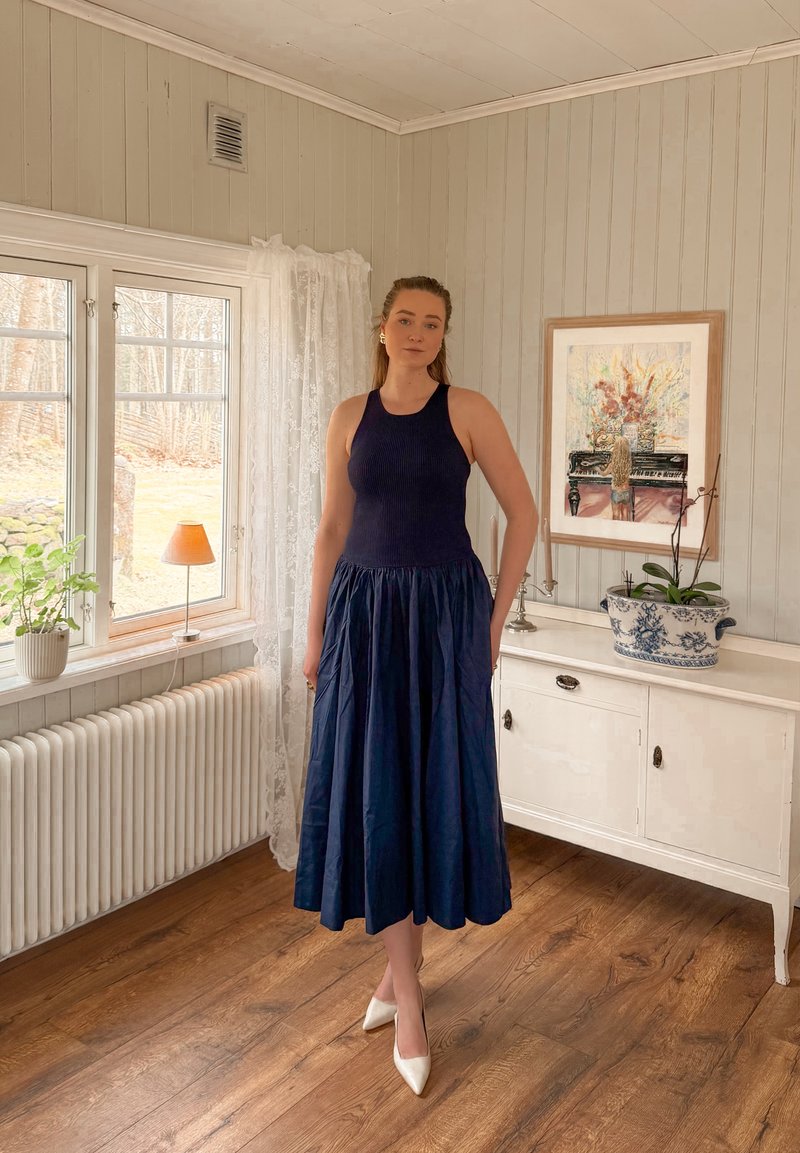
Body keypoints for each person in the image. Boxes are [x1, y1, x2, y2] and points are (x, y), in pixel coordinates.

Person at [292, 275, 538, 1095]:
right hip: (363, 619)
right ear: (383, 326)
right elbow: (332, 528)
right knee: (379, 792)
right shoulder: (347, 417)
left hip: (442, 619)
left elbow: (524, 513)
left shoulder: (467, 410)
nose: (418, 332)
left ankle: (402, 985)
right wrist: (315, 630)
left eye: (433, 322)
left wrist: (496, 620)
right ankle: (405, 994)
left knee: (431, 789)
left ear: (444, 333)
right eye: (406, 318)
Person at [606, 435, 632, 520]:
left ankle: (615, 531)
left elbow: (603, 473)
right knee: (625, 514)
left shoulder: (612, 464)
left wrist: (597, 469)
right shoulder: (628, 463)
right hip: (626, 492)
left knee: (616, 514)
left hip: (616, 492)